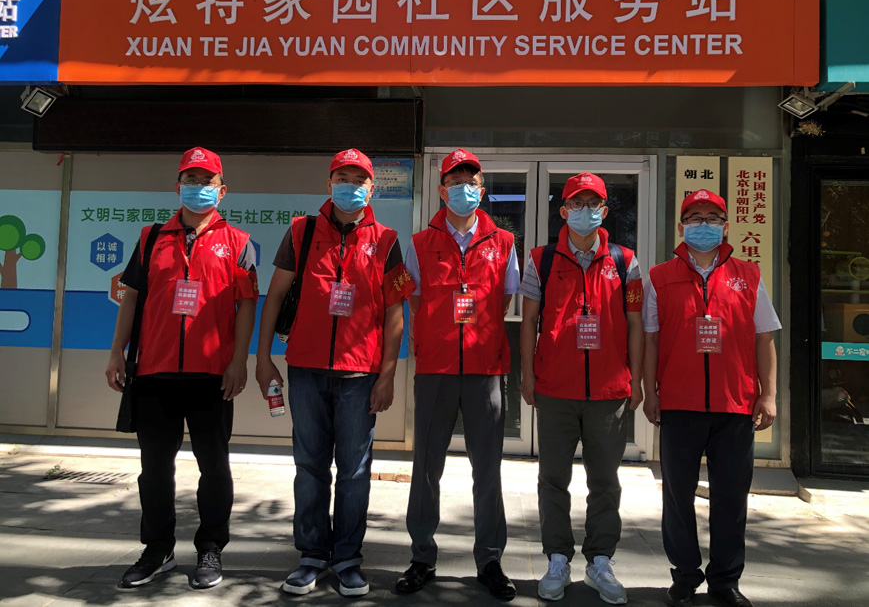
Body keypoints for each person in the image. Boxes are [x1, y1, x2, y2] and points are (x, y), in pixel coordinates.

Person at [255, 148, 414, 597]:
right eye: (342, 177)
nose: (351, 186)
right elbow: (275, 295)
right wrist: (262, 357)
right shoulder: (301, 232)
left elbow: (396, 311)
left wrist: (387, 374)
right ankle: (311, 555)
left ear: (372, 188)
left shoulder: (387, 240)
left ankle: (346, 558)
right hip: (305, 370)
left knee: (354, 471)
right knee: (309, 466)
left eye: (359, 179)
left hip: (360, 375)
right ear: (329, 183)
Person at [105, 147, 258, 590]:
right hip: (154, 372)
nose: (199, 188)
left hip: (212, 375)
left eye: (207, 181)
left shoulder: (239, 242)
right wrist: (116, 352)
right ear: (177, 187)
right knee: (154, 469)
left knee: (215, 466)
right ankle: (158, 549)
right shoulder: (151, 238)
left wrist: (239, 361)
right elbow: (131, 297)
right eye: (191, 180)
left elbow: (246, 305)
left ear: (222, 191)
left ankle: (210, 548)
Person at [642, 189, 780, 607]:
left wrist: (769, 395)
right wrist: (650, 392)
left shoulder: (748, 275)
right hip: (679, 403)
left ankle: (725, 580)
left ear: (725, 226)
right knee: (677, 497)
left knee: (731, 498)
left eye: (712, 217)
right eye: (695, 217)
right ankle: (685, 575)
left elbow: (764, 337)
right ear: (681, 227)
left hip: (735, 405)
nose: (704, 224)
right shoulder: (659, 277)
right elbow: (651, 340)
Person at [396, 149, 520, 600]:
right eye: (455, 181)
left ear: (481, 190)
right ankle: (421, 557)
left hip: (485, 370)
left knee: (487, 469)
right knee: (426, 467)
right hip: (435, 369)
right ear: (441, 189)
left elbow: (505, 299)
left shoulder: (503, 242)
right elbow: (413, 298)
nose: (463, 188)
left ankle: (489, 559)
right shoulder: (419, 242)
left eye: (471, 181)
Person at [519, 172, 644, 604]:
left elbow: (635, 324)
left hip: (609, 392)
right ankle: (557, 557)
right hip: (556, 388)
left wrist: (636, 380)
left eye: (593, 204)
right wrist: (527, 375)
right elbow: (529, 321)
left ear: (605, 211)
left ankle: (600, 561)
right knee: (553, 479)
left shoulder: (625, 260)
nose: (584, 211)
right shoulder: (542, 259)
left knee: (605, 482)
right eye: (577, 203)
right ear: (563, 210)